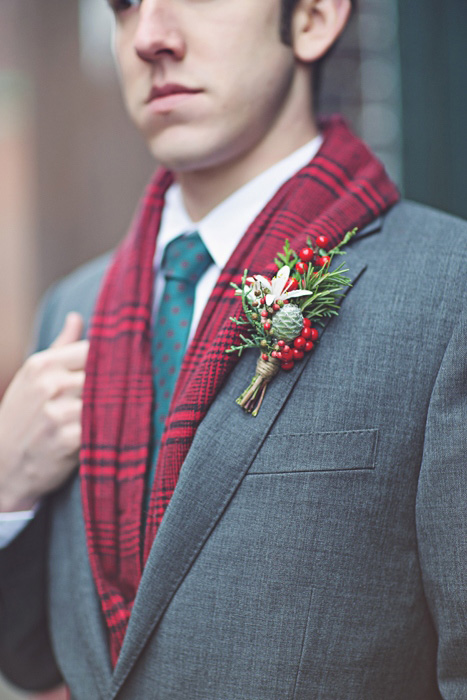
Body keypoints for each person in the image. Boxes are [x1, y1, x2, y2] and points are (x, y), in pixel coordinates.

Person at [0, 0, 466, 697]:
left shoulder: (445, 292)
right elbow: (34, 661)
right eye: (125, 6)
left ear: (312, 16)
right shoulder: (73, 311)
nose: (149, 37)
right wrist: (7, 488)